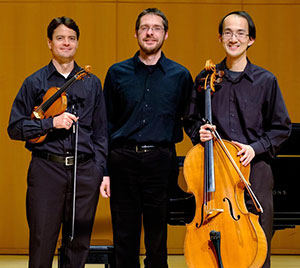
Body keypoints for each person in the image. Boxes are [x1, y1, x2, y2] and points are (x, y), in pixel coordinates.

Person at [183, 11, 291, 268]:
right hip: (216, 172)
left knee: (256, 244)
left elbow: (281, 128)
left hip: (254, 171)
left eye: (240, 33)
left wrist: (255, 149)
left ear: (251, 39)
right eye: (228, 32)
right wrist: (199, 131)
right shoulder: (204, 79)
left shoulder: (266, 81)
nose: (234, 38)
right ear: (220, 37)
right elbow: (190, 120)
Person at [7, 16, 107, 268]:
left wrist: (98, 171)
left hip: (84, 171)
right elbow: (15, 128)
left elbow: (101, 132)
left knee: (78, 243)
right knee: (42, 241)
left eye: (71, 39)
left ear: (77, 43)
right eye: (60, 38)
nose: (66, 43)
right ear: (49, 43)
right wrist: (50, 124)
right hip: (46, 170)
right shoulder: (34, 82)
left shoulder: (92, 83)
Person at [100, 8, 193, 268]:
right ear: (136, 33)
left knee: (157, 236)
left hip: (161, 161)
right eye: (144, 27)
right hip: (123, 160)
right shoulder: (117, 73)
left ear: (166, 34)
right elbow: (105, 125)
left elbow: (190, 120)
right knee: (124, 233)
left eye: (156, 28)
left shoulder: (180, 76)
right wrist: (105, 171)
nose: (150, 33)